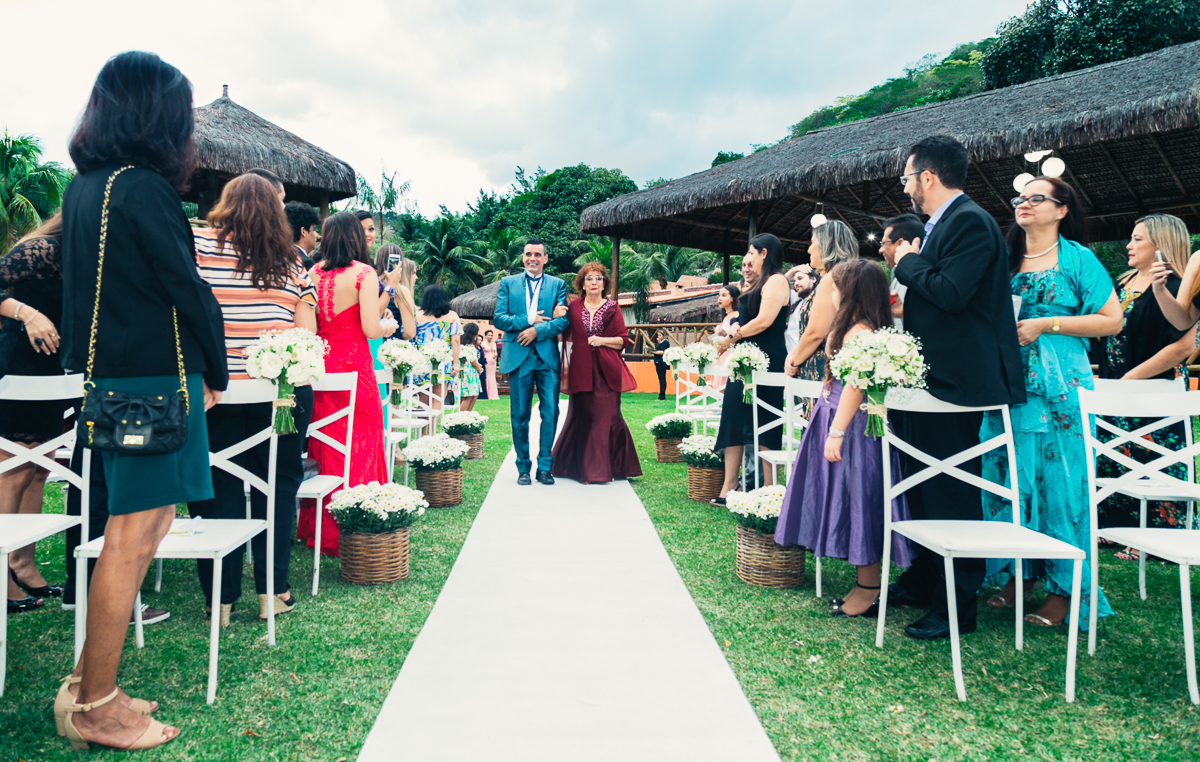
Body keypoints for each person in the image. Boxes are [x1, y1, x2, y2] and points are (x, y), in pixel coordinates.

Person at [57, 50, 228, 750]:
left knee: (145, 531)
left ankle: (89, 681)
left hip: (121, 380)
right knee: (131, 537)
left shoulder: (85, 188)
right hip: (159, 382)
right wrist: (216, 368)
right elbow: (186, 288)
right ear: (159, 115)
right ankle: (94, 703)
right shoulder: (144, 189)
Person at [887, 134, 1025, 641]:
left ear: (927, 176)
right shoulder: (940, 225)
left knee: (951, 489)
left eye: (908, 179)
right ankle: (925, 578)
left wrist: (907, 261)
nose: (906, 191)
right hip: (933, 382)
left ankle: (956, 602)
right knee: (924, 486)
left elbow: (950, 293)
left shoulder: (969, 221)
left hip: (960, 383)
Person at [979, 176, 1121, 629]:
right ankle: (1019, 576)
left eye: (1036, 198)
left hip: (1062, 389)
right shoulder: (1002, 258)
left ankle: (1065, 588)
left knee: (1062, 484)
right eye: (1020, 197)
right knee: (1010, 477)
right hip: (1008, 384)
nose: (1024, 204)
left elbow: (1111, 321)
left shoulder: (1078, 258)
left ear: (1061, 209)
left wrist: (1048, 325)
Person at [190, 173, 319, 624]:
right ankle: (273, 589)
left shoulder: (197, 245)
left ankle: (219, 598)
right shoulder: (292, 264)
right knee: (279, 485)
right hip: (279, 394)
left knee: (215, 488)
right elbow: (307, 337)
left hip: (215, 391)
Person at [775, 260, 914, 617]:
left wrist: (836, 433)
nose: (830, 293)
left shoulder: (860, 333)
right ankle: (862, 583)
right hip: (836, 417)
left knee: (859, 502)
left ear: (850, 292)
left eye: (835, 287)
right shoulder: (856, 327)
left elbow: (856, 384)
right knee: (848, 500)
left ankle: (868, 589)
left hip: (851, 427)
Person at [296, 212, 395, 557]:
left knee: (324, 445)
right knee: (361, 442)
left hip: (321, 371)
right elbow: (369, 328)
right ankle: (358, 524)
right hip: (354, 368)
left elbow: (307, 328)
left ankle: (320, 531)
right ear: (354, 237)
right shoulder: (364, 273)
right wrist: (387, 326)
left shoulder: (311, 272)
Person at [1100, 214, 1197, 544]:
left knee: (1154, 461)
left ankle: (1155, 536)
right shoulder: (1121, 283)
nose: (1129, 244)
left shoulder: (1179, 285)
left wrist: (1132, 378)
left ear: (1161, 244)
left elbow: (1184, 344)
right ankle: (1114, 528)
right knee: (1116, 454)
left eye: (1138, 238)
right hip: (1115, 385)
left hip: (1156, 389)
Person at [0, 216, 66, 613]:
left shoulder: (90, 257)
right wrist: (27, 313)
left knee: (41, 466)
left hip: (52, 374)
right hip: (19, 367)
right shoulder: (40, 249)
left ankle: (23, 563)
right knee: (13, 470)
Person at [712, 234, 790, 502]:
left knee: (767, 420)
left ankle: (769, 490)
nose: (747, 260)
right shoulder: (754, 284)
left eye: (751, 254)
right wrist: (735, 329)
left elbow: (765, 321)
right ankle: (730, 485)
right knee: (732, 416)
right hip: (744, 360)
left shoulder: (777, 281)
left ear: (764, 253)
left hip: (767, 358)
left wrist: (733, 336)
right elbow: (745, 319)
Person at [551, 262, 641, 484]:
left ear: (604, 284)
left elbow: (623, 340)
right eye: (589, 278)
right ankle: (571, 466)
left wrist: (601, 340)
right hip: (580, 369)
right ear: (582, 283)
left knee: (607, 416)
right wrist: (555, 317)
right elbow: (561, 335)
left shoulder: (612, 307)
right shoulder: (573, 308)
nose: (593, 282)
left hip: (606, 370)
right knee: (581, 415)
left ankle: (601, 470)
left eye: (598, 278)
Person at [492, 239, 569, 485]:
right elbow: (499, 319)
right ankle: (523, 468)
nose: (532, 258)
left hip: (546, 356)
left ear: (546, 258)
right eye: (528, 254)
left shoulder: (558, 285)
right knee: (519, 414)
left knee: (550, 411)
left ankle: (545, 467)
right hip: (519, 356)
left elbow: (563, 321)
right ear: (522, 257)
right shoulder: (507, 283)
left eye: (537, 254)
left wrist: (538, 331)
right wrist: (528, 320)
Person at [785, 220, 859, 388]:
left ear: (827, 245)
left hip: (820, 370)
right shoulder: (850, 275)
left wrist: (793, 360)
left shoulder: (831, 279)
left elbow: (816, 333)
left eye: (812, 243)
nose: (809, 249)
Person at [414, 284, 461, 417]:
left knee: (422, 401)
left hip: (421, 363)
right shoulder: (452, 316)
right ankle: (432, 434)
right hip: (443, 362)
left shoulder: (417, 316)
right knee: (437, 400)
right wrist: (455, 364)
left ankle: (423, 434)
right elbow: (456, 341)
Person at [878, 213, 924, 327]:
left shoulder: (915, 276)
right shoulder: (898, 273)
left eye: (884, 243)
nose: (880, 250)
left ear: (900, 243)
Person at [710, 284, 741, 392]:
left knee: (726, 389)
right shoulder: (727, 316)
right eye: (719, 295)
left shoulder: (736, 315)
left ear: (732, 298)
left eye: (724, 295)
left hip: (727, 353)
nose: (720, 298)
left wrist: (717, 353)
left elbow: (733, 337)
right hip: (720, 353)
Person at [784, 266, 816, 353]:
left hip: (806, 358)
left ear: (813, 279)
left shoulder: (818, 302)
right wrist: (792, 270)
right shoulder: (796, 299)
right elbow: (780, 285)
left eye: (800, 278)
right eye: (794, 281)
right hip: (788, 358)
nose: (796, 283)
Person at [284, 200, 319, 269]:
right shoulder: (307, 263)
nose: (317, 235)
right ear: (303, 231)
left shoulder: (278, 257)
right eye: (313, 230)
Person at [457, 322, 483, 412]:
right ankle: (462, 417)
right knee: (469, 396)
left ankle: (467, 416)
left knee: (472, 395)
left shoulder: (460, 345)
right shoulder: (469, 347)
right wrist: (480, 369)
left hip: (469, 373)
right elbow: (473, 361)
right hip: (469, 373)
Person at [652, 328, 670, 400]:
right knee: (660, 379)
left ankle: (662, 395)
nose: (658, 336)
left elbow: (662, 352)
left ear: (663, 336)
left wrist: (653, 352)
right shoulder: (660, 342)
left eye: (660, 335)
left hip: (662, 362)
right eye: (658, 335)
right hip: (658, 362)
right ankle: (661, 394)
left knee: (662, 379)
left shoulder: (665, 343)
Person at [481, 329, 499, 399]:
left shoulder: (494, 343)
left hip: (493, 362)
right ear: (485, 336)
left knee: (492, 376)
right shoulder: (483, 344)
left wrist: (495, 355)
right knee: (487, 377)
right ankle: (487, 393)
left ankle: (493, 394)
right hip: (486, 362)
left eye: (491, 335)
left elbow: (495, 352)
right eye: (489, 335)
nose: (490, 337)